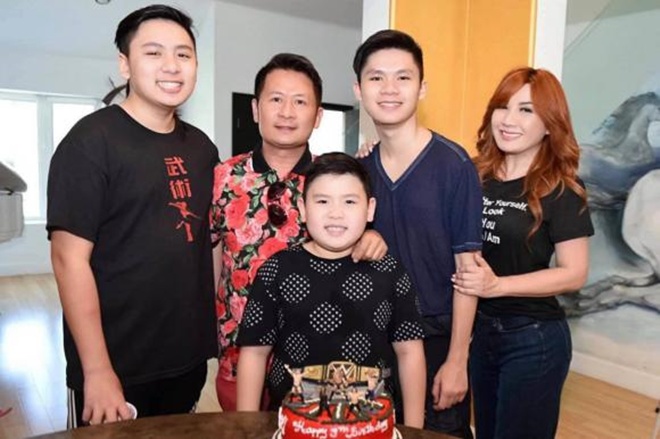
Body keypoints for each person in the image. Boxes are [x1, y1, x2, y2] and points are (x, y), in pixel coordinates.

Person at [47, 5, 217, 427]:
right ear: (125, 64)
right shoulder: (91, 142)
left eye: (183, 54)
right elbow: (68, 259)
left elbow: (207, 243)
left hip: (185, 360)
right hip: (117, 365)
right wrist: (97, 371)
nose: (171, 66)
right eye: (153, 53)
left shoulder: (202, 148)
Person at [210, 53, 387, 411]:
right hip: (238, 354)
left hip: (316, 360)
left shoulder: (334, 182)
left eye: (300, 102)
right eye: (276, 99)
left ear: (318, 116)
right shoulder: (224, 177)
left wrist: (371, 236)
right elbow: (214, 257)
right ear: (256, 109)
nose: (287, 112)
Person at [452, 67, 594, 439]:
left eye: (526, 110)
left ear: (549, 124)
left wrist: (497, 285)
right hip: (481, 333)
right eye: (503, 106)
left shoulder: (561, 187)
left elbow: (574, 272)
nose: (509, 119)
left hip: (533, 338)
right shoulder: (473, 175)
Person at [234, 153, 426, 428]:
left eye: (349, 202)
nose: (336, 213)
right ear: (302, 208)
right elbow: (254, 353)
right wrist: (245, 427)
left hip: (371, 424)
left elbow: (410, 352)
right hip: (292, 424)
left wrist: (414, 430)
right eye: (322, 201)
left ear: (370, 209)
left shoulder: (390, 271)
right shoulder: (276, 270)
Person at [353, 30, 482, 438]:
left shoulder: (454, 166)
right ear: (359, 90)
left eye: (403, 77)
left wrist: (458, 360)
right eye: (376, 78)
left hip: (436, 339)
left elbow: (468, 270)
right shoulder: (359, 170)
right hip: (373, 338)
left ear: (421, 88)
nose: (389, 89)